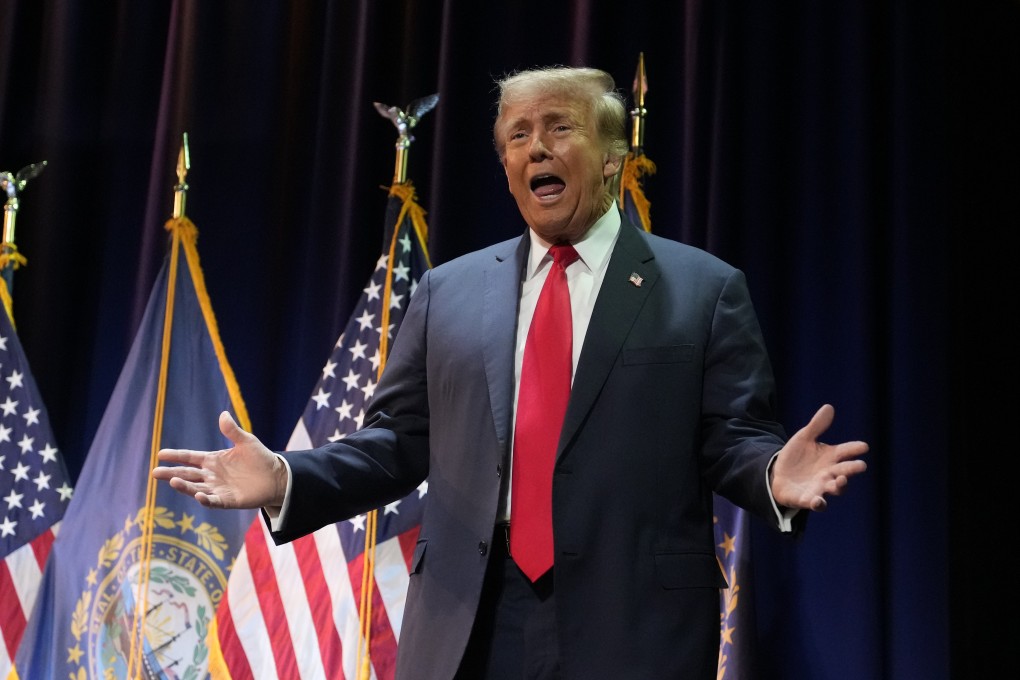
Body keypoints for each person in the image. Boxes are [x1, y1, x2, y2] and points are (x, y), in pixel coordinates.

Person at [153, 65, 868, 680]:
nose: (535, 148)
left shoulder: (703, 290)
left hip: (632, 621)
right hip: (472, 615)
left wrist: (773, 475)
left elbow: (731, 437)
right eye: (517, 136)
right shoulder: (448, 293)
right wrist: (287, 478)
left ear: (613, 156)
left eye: (559, 127)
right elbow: (398, 443)